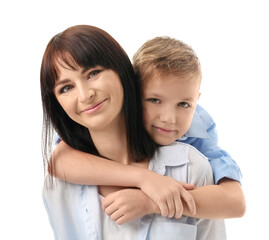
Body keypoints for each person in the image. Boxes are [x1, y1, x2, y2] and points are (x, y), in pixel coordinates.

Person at [41, 25, 226, 239]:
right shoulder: (59, 186)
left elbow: (235, 203)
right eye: (66, 88)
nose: (85, 95)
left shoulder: (191, 166)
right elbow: (58, 161)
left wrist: (153, 201)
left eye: (93, 73)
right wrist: (144, 179)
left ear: (121, 70)